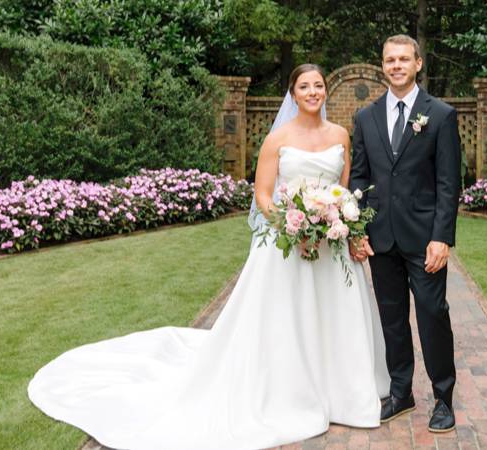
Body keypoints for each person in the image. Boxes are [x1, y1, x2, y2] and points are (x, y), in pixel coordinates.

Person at [28, 64, 390, 450]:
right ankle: (292, 391)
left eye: (318, 86)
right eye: (305, 86)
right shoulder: (277, 139)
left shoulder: (340, 135)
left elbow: (343, 188)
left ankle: (340, 388)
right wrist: (293, 226)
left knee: (333, 314)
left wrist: (343, 221)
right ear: (293, 93)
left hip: (330, 246)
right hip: (289, 246)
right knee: (288, 318)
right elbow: (264, 196)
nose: (314, 92)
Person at [349, 35, 461, 433]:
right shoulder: (366, 118)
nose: (396, 65)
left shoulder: (441, 115)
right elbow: (360, 178)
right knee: (391, 319)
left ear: (418, 64)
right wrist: (357, 228)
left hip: (424, 239)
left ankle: (443, 398)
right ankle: (401, 392)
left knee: (433, 316)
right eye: (389, 60)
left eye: (403, 59)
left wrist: (442, 237)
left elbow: (449, 183)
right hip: (381, 239)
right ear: (383, 66)